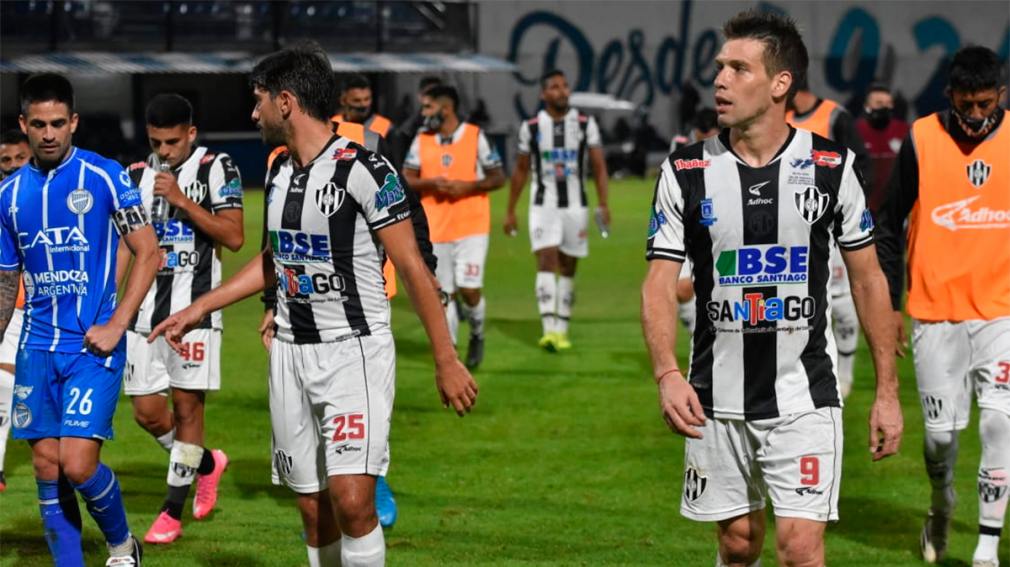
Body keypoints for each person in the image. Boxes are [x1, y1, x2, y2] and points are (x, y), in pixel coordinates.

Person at [149, 45, 477, 567]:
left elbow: (413, 268)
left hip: (353, 353)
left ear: (286, 102)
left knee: (353, 500)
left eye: (259, 101)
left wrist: (446, 358)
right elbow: (274, 258)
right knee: (310, 505)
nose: (253, 114)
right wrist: (199, 308)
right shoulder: (279, 171)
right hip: (288, 355)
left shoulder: (364, 169)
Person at [641, 11, 902, 566]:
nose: (720, 80)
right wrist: (666, 372)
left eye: (739, 69)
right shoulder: (685, 170)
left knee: (800, 548)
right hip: (714, 395)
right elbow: (659, 284)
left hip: (805, 395)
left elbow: (868, 279)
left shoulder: (832, 167)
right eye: (720, 67)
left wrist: (886, 391)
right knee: (738, 543)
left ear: (781, 83)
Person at [0, 73, 159, 566]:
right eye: (39, 124)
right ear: (24, 124)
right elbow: (6, 279)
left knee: (78, 464)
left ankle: (122, 546)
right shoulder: (7, 195)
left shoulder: (106, 175)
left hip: (92, 346)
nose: (48, 134)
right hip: (36, 347)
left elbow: (148, 251)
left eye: (57, 123)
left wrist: (118, 324)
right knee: (47, 466)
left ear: (73, 122)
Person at [876, 46, 1010, 567]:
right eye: (966, 103)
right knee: (939, 438)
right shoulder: (922, 138)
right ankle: (941, 503)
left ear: (1000, 95)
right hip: (934, 312)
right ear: (950, 95)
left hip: (1000, 312)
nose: (975, 114)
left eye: (985, 104)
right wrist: (891, 305)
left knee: (998, 423)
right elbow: (888, 225)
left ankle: (986, 548)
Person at [118, 93, 243, 544]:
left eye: (172, 142)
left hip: (195, 314)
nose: (164, 151)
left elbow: (234, 236)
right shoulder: (135, 174)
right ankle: (206, 463)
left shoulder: (217, 167)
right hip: (143, 313)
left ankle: (171, 511)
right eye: (157, 142)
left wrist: (182, 201)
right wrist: (113, 303)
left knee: (188, 409)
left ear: (191, 133)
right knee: (147, 413)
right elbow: (125, 243)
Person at [503, 69, 610, 352]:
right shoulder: (532, 127)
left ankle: (562, 329)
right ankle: (548, 328)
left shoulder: (585, 124)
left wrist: (603, 203)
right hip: (543, 206)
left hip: (576, 206)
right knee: (546, 259)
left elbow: (599, 166)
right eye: (554, 87)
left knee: (568, 266)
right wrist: (510, 209)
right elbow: (521, 170)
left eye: (564, 86)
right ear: (543, 94)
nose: (562, 91)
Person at [403, 85, 506, 370]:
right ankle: (453, 357)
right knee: (444, 295)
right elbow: (406, 177)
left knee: (469, 289)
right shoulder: (422, 139)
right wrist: (430, 183)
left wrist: (468, 186)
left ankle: (477, 332)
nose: (424, 113)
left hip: (471, 225)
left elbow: (498, 177)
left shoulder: (475, 136)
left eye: (428, 107)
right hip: (435, 227)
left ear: (446, 108)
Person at [787, 77, 870, 400]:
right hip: (792, 232)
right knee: (797, 302)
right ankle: (800, 372)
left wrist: (850, 214)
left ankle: (844, 374)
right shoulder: (778, 118)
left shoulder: (835, 117)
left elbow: (860, 167)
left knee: (842, 301)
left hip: (830, 229)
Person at [0, 128, 30, 492]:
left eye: (19, 157)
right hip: (10, 303)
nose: (12, 165)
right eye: (5, 160)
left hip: (37, 305)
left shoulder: (49, 195)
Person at [854, 84, 910, 213]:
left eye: (889, 103)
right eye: (879, 103)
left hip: (895, 207)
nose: (885, 107)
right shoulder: (855, 131)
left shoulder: (905, 130)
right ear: (867, 106)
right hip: (862, 207)